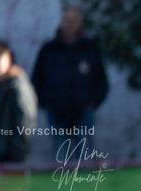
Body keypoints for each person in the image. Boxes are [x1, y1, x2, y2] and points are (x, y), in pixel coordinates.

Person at [31, 5, 109, 158]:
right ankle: (62, 183)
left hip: (84, 110)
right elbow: (37, 80)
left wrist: (92, 103)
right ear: (60, 22)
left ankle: (85, 183)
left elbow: (101, 80)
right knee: (61, 157)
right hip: (56, 110)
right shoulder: (49, 49)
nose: (69, 24)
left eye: (73, 20)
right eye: (66, 20)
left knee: (84, 155)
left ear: (80, 22)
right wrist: (46, 103)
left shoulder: (90, 48)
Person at [0, 42, 37, 162]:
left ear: (9, 61)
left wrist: (17, 154)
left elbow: (25, 123)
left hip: (11, 158)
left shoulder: (18, 86)